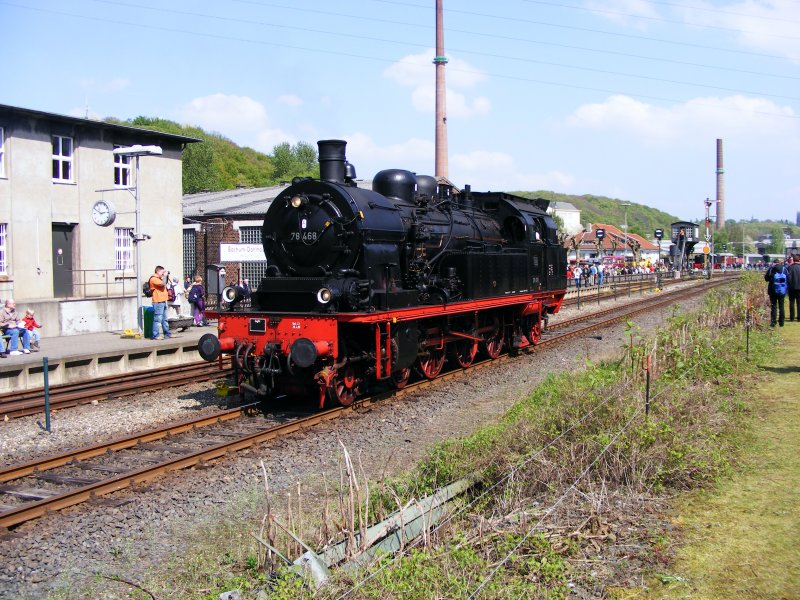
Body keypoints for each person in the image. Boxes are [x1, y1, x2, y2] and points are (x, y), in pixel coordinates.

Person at [148, 266, 172, 340]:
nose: (163, 273)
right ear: (158, 272)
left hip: (163, 301)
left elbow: (165, 282)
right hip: (158, 301)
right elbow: (163, 284)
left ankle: (167, 334)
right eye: (162, 272)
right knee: (157, 319)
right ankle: (155, 335)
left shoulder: (159, 278)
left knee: (164, 319)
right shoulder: (153, 279)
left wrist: (166, 276)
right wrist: (165, 276)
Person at [764, 258, 788, 327]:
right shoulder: (784, 269)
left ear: (774, 263)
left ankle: (773, 322)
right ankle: (781, 322)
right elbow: (788, 278)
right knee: (781, 306)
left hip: (773, 290)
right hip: (782, 290)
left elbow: (766, 278)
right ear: (780, 263)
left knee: (773, 306)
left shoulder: (771, 269)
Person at [788, 257, 800, 322]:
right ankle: (799, 317)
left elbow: (788, 278)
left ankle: (792, 317)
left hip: (792, 287)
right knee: (799, 303)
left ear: (793, 260)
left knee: (792, 303)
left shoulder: (790, 267)